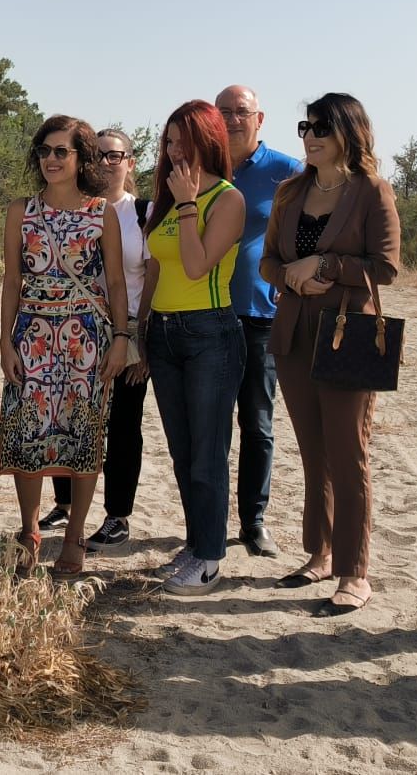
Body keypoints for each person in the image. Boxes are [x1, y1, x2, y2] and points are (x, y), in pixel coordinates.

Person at [261, 92, 400, 617]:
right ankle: (319, 553)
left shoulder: (372, 191)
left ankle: (354, 571)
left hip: (348, 334)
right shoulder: (290, 191)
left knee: (349, 452)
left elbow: (385, 267)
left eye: (321, 126)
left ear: (349, 131)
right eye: (305, 126)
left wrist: (324, 265)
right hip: (295, 333)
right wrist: (291, 273)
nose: (310, 135)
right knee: (313, 451)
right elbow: (268, 264)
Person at [0, 116, 131, 576]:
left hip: (87, 341)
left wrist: (121, 339)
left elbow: (114, 281)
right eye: (44, 150)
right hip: (31, 336)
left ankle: (74, 538)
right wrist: (5, 343)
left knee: (83, 438)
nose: (50, 159)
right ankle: (30, 530)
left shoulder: (101, 212)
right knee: (28, 435)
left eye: (61, 151)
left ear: (81, 158)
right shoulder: (21, 210)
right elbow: (12, 280)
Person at [143, 100, 246, 596]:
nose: (174, 149)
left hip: (210, 335)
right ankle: (195, 542)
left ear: (208, 139)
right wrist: (139, 331)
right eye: (168, 140)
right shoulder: (165, 197)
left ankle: (209, 559)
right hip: (162, 334)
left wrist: (187, 203)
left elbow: (196, 264)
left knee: (208, 454)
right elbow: (157, 268)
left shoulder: (226, 199)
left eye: (183, 139)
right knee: (183, 453)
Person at [214, 84, 302, 558]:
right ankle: (206, 524)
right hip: (205, 315)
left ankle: (254, 522)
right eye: (222, 111)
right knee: (211, 429)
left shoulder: (288, 172)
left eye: (240, 111)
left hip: (260, 317)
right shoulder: (202, 166)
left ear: (259, 118)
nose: (231, 119)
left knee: (258, 424)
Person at [67, 129, 155, 549]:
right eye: (97, 155)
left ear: (130, 162)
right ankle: (65, 506)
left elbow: (155, 277)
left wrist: (143, 344)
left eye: (114, 155)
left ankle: (117, 515)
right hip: (78, 329)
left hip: (131, 328)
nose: (105, 163)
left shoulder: (144, 213)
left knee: (123, 424)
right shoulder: (76, 208)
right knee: (72, 419)